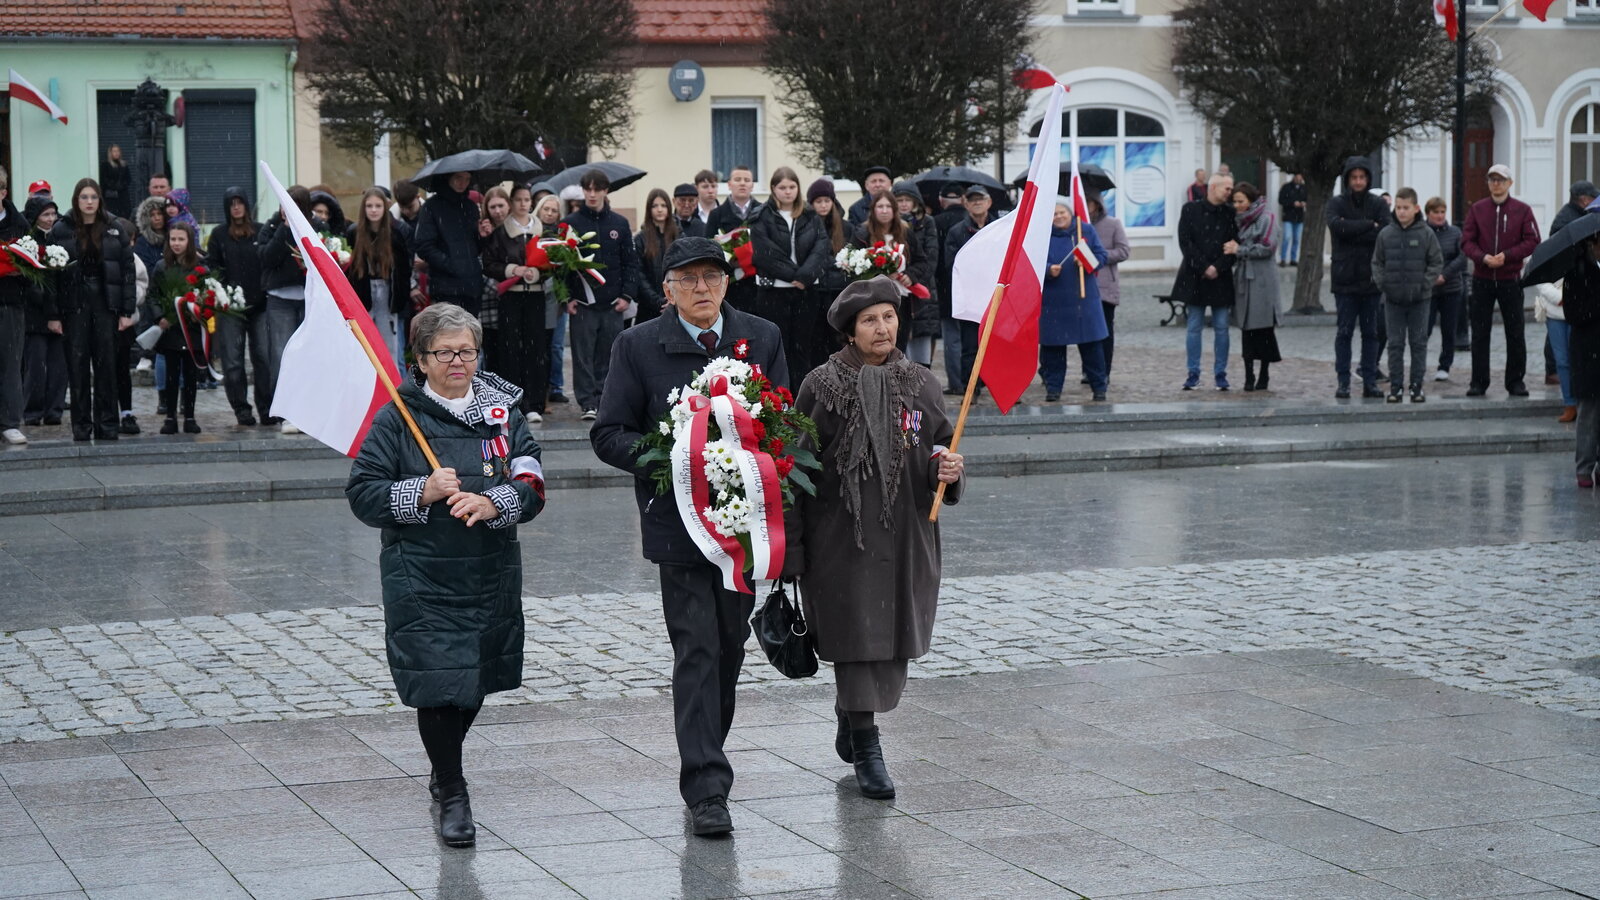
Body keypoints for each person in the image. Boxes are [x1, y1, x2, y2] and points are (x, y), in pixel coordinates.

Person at [591, 237, 789, 836]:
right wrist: (678, 460)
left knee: (729, 648)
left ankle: (707, 756)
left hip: (741, 527)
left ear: (727, 283)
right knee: (696, 649)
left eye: (711, 277)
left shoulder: (761, 337)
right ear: (668, 289)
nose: (701, 288)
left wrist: (747, 464)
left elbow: (783, 421)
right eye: (688, 278)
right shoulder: (637, 346)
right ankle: (706, 787)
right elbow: (609, 433)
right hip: (677, 527)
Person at [346, 303, 546, 848]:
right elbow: (362, 493)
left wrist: (496, 502)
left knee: (473, 677)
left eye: (467, 351)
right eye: (445, 353)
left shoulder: (503, 413)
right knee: (439, 680)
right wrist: (422, 491)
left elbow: (531, 477)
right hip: (421, 575)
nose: (458, 362)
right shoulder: (396, 419)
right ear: (420, 359)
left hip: (490, 570)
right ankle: (453, 792)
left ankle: (443, 765)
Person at [791, 276, 964, 800]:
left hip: (908, 535)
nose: (882, 327)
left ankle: (851, 712)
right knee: (856, 637)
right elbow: (795, 467)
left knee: (891, 639)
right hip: (842, 539)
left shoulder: (922, 383)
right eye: (869, 320)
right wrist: (793, 550)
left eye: (888, 316)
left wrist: (947, 468)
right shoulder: (821, 385)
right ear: (850, 331)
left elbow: (936, 445)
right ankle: (868, 746)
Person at [45, 178, 137, 442]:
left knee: (107, 366)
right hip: (74, 305)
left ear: (100, 200)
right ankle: (82, 426)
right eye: (84, 197)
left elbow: (127, 271)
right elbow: (50, 276)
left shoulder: (114, 228)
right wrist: (53, 315)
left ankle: (107, 424)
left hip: (105, 304)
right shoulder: (61, 229)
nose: (89, 202)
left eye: (93, 197)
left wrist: (126, 311)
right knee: (77, 367)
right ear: (76, 200)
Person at [562, 169, 641, 420]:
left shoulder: (619, 223)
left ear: (606, 191)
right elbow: (563, 265)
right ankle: (587, 403)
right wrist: (567, 298)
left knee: (609, 355)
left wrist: (627, 295)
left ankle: (605, 400)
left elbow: (630, 262)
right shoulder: (571, 223)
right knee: (582, 356)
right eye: (588, 189)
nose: (592, 194)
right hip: (582, 303)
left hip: (612, 303)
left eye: (597, 189)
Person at [1462, 164, 1540, 397]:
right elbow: (1466, 241)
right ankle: (1478, 381)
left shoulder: (1522, 210)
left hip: (1510, 279)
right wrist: (1482, 257)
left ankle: (1515, 381)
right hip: (1482, 279)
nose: (1496, 184)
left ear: (1509, 183)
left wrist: (1508, 256)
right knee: (1480, 333)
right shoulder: (1477, 209)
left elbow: (1532, 240)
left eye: (1501, 180)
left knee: (1515, 332)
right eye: (1492, 180)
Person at [483, 184, 553, 424]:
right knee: (510, 349)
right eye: (518, 200)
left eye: (526, 200)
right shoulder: (501, 232)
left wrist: (539, 272)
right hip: (510, 297)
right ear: (511, 202)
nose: (523, 204)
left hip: (535, 295)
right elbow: (489, 264)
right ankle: (512, 401)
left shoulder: (542, 230)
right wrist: (513, 269)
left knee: (536, 349)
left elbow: (554, 261)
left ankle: (534, 403)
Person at [749, 168, 829, 377]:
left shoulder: (810, 215)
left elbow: (821, 247)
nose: (788, 191)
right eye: (782, 187)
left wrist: (805, 276)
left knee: (802, 348)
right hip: (774, 292)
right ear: (773, 189)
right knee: (778, 347)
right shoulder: (761, 216)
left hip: (806, 291)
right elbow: (765, 253)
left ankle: (802, 393)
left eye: (792, 187)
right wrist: (795, 275)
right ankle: (780, 393)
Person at [1325, 156, 1391, 399]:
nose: (1358, 182)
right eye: (1354, 177)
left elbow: (1384, 231)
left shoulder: (1378, 204)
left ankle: (1369, 381)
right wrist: (1368, 225)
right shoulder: (1336, 203)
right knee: (1344, 333)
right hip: (1344, 279)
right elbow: (1337, 228)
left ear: (1368, 179)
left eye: (1362, 177)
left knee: (1370, 333)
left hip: (1371, 279)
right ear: (1347, 179)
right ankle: (1343, 381)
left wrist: (1353, 228)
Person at [1371, 188, 1443, 404]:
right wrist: (1384, 284)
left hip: (1420, 300)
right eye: (1398, 207)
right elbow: (1377, 263)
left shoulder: (1426, 234)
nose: (1401, 211)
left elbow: (1436, 262)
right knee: (1395, 344)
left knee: (1418, 344)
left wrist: (1424, 285)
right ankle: (1395, 387)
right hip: (1393, 300)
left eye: (1406, 207)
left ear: (1416, 208)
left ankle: (1416, 387)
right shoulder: (1386, 234)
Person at [205, 186, 267, 425]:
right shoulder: (219, 235)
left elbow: (267, 260)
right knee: (232, 361)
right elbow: (213, 267)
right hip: (230, 307)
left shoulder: (260, 231)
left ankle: (267, 408)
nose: (236, 207)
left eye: (240, 202)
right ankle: (241, 408)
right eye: (232, 204)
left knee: (263, 357)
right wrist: (224, 292)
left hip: (259, 305)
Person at [1041, 201, 1110, 402]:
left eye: (1062, 212)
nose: (1059, 216)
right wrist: (1048, 269)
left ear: (1070, 213)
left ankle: (1099, 387)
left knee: (1092, 349)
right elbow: (1031, 262)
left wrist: (1087, 261)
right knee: (1053, 351)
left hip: (1083, 300)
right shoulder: (1042, 234)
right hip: (1054, 302)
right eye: (1054, 214)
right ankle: (1053, 388)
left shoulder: (1085, 230)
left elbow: (1101, 256)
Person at [1174, 173, 1237, 391]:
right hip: (1195, 276)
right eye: (1226, 188)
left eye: (1231, 188)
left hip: (1221, 276)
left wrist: (1218, 267)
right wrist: (1203, 267)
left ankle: (1220, 373)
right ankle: (1193, 373)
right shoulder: (1190, 209)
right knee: (1194, 326)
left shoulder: (1230, 213)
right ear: (1213, 187)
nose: (1230, 192)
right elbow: (1185, 242)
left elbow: (1234, 245)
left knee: (1222, 327)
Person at [144, 222, 207, 434]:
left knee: (190, 375)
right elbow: (153, 295)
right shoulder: (161, 266)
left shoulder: (200, 267)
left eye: (181, 239)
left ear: (189, 241)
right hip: (170, 329)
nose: (176, 243)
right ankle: (170, 417)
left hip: (192, 329)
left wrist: (199, 312)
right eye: (173, 239)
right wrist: (160, 316)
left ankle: (189, 416)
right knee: (171, 374)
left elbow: (207, 294)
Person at [348, 186, 412, 374]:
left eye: (378, 206)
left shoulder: (395, 234)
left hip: (387, 292)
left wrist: (398, 302)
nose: (373, 210)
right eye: (369, 206)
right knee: (362, 346)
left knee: (389, 349)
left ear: (385, 208)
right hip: (363, 292)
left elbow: (403, 271)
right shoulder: (354, 233)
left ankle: (392, 389)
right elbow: (350, 269)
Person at [1229, 182, 1282, 392]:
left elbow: (1268, 247)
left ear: (1251, 200)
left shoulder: (1266, 218)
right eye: (1234, 202)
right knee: (1246, 328)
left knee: (1263, 328)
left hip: (1263, 279)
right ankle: (1248, 374)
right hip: (1244, 277)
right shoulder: (1238, 221)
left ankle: (1264, 373)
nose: (1237, 206)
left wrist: (1240, 250)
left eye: (1240, 201)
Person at [21, 196, 67, 429]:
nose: (50, 219)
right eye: (45, 215)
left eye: (53, 214)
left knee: (59, 367)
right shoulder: (28, 241)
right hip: (35, 315)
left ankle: (54, 410)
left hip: (60, 311)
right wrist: (48, 308)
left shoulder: (60, 237)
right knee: (35, 366)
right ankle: (32, 410)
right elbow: (30, 282)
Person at [1547, 182, 1597, 393]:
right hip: (1567, 289)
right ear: (1584, 199)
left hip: (1575, 289)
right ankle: (1559, 380)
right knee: (1563, 349)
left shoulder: (1575, 216)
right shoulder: (1571, 221)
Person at [415, 171, 485, 314]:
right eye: (458, 178)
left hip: (472, 285)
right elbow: (424, 246)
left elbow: (476, 248)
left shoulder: (471, 207)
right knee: (449, 326)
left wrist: (483, 236)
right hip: (445, 286)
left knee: (471, 326)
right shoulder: (431, 207)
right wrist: (451, 264)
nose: (463, 183)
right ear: (448, 177)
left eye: (467, 179)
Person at [892, 181, 941, 367]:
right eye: (899, 200)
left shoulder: (927, 222)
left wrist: (911, 276)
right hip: (896, 287)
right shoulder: (889, 224)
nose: (904, 204)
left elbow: (930, 258)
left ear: (915, 202)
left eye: (908, 200)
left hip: (921, 289)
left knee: (921, 351)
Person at [1565, 233, 1600, 487]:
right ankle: (1584, 468)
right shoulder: (1577, 271)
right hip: (1588, 351)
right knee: (1589, 412)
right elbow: (1574, 313)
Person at [808, 178, 852, 371]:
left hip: (838, 292)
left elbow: (850, 257)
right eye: (818, 201)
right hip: (815, 292)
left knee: (838, 340)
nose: (823, 205)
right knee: (816, 341)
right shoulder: (807, 225)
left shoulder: (845, 227)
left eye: (827, 200)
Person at [1424, 197, 1468, 385]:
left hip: (1451, 288)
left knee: (1449, 330)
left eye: (1442, 212)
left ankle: (1444, 366)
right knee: (1423, 330)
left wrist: (1445, 275)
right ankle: (1419, 365)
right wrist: (1432, 276)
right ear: (1428, 213)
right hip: (1428, 290)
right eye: (1436, 212)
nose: (1440, 216)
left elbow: (1462, 256)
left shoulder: (1455, 232)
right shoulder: (1422, 232)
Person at [705, 165, 760, 312]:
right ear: (729, 184)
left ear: (752, 185)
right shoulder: (716, 215)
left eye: (747, 180)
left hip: (758, 284)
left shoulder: (763, 212)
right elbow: (708, 247)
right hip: (730, 287)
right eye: (737, 179)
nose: (742, 183)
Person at [0, 169, 29, 444]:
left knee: (10, 362)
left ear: (3, 192)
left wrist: (21, 271)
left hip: (10, 301)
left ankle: (10, 422)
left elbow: (33, 266)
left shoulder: (19, 225)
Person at [533, 193, 570, 406]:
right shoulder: (532, 232)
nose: (549, 213)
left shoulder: (563, 236)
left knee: (556, 346)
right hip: (536, 293)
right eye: (546, 209)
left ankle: (555, 386)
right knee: (540, 345)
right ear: (539, 209)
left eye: (554, 210)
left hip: (558, 296)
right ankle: (540, 389)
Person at [1088, 194, 1130, 379]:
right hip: (1083, 286)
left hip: (1105, 287)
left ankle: (1104, 370)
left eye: (1089, 201)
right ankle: (1090, 370)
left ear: (1097, 204)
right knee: (1087, 333)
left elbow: (1123, 251)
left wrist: (1098, 255)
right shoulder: (1077, 224)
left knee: (1105, 331)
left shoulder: (1113, 224)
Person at [636, 186, 682, 325]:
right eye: (655, 206)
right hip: (648, 309)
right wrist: (658, 301)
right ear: (649, 210)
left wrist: (674, 298)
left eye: (663, 205)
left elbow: (683, 270)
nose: (660, 209)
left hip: (678, 306)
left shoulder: (679, 236)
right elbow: (639, 275)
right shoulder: (641, 239)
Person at [1277, 174, 1306, 266]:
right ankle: (1283, 258)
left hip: (1299, 217)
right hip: (1288, 216)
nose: (1299, 179)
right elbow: (1281, 200)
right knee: (1287, 237)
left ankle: (1293, 259)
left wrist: (1304, 203)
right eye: (1297, 177)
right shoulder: (1286, 187)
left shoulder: (1304, 188)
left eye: (1300, 177)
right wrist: (1292, 203)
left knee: (1296, 239)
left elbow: (1307, 199)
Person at [100, 145, 131, 221]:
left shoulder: (124, 165)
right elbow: (104, 179)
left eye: (118, 151)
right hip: (111, 195)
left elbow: (128, 179)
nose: (116, 153)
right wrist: (113, 186)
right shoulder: (105, 165)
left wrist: (122, 185)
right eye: (114, 151)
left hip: (123, 194)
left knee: (124, 214)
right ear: (110, 153)